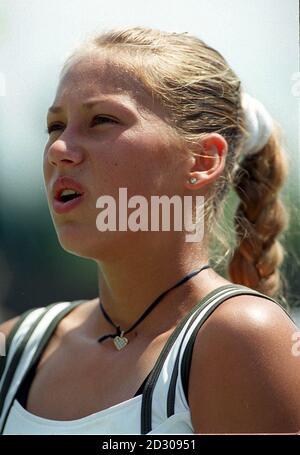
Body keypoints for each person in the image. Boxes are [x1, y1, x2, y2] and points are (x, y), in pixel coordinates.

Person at [0, 26, 299, 435]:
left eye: (101, 120)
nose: (57, 149)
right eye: (55, 126)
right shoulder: (15, 348)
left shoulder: (242, 336)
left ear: (201, 160)